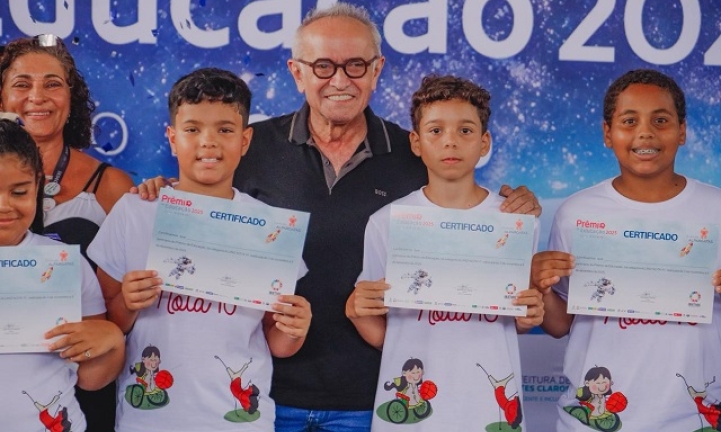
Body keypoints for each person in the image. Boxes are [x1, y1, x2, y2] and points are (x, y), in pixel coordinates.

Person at [135, 4, 541, 430]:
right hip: (266, 396)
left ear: (377, 69)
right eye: (323, 66)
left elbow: (467, 208)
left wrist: (515, 203)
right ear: (297, 72)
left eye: (356, 65)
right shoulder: (249, 147)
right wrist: (163, 190)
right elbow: (203, 190)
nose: (341, 80)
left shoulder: (417, 155)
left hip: (371, 398)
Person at [87, 67, 312, 431]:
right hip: (151, 420)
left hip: (239, 423)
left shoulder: (270, 229)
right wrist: (127, 302)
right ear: (172, 138)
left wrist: (296, 328)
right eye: (192, 129)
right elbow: (104, 324)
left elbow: (279, 343)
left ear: (245, 140)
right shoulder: (135, 211)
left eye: (225, 129)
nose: (208, 142)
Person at [346, 75, 544, 430]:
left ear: (484, 143)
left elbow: (516, 320)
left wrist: (528, 318)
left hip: (486, 405)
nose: (450, 141)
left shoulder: (516, 222)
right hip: (416, 407)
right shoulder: (386, 222)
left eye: (465, 130)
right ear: (416, 142)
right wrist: (358, 312)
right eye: (436, 130)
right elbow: (381, 329)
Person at [532, 69, 721, 431]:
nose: (645, 133)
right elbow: (558, 325)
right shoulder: (576, 213)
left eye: (661, 120)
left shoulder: (716, 209)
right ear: (608, 133)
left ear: (682, 131)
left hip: (693, 420)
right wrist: (539, 285)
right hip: (593, 422)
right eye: (629, 121)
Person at [0, 35, 134, 431]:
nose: (37, 96)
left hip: (71, 394)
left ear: (71, 98)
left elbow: (116, 315)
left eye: (53, 83)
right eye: (22, 83)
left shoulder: (113, 186)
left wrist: (110, 335)